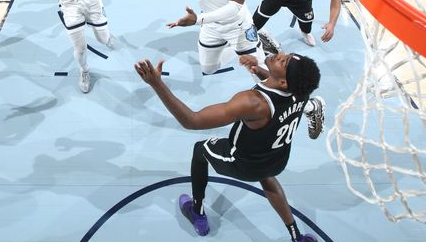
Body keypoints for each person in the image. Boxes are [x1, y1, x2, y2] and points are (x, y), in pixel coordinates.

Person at [133, 43, 324, 241]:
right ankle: (296, 236)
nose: (279, 54)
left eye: (283, 61)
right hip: (277, 159)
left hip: (243, 163)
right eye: (286, 55)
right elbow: (280, 87)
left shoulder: (252, 102)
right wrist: (258, 70)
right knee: (267, 176)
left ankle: (197, 212)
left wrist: (157, 84)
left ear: (284, 81)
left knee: (200, 150)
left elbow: (191, 120)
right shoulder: (302, 91)